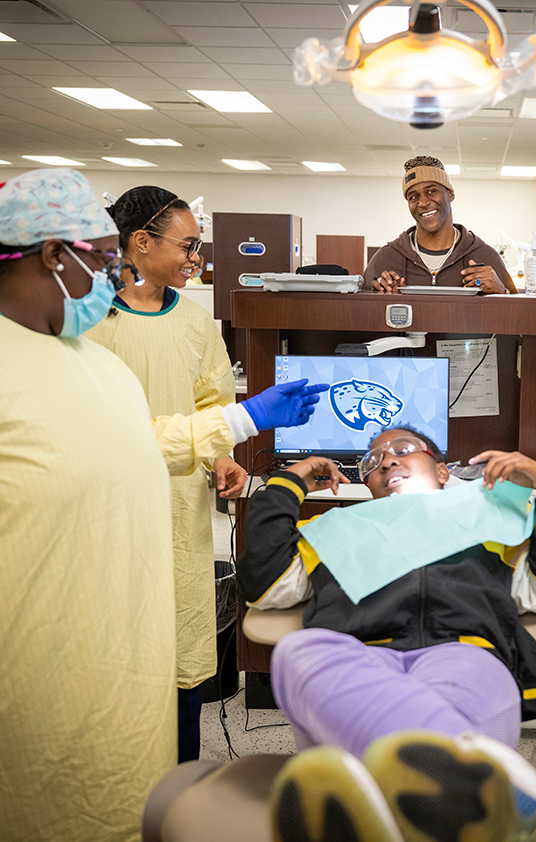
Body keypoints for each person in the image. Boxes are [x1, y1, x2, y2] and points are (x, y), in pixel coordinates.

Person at [0, 168, 328, 842]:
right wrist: (240, 421)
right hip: (49, 612)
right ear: (55, 255)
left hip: (150, 553)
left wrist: (234, 432)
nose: (110, 273)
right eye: (100, 256)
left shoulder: (87, 363)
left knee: (162, 692)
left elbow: (150, 437)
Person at [237, 427, 536, 841]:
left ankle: (384, 802)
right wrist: (289, 482)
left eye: (403, 450)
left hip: (465, 655)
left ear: (444, 471)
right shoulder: (334, 530)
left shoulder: (491, 521)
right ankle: (507, 794)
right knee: (297, 650)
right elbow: (264, 585)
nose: (387, 460)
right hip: (358, 658)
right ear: (366, 485)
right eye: (372, 462)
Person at [86, 186, 254, 761]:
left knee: (181, 651)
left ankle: (177, 785)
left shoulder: (195, 322)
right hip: (107, 505)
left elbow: (212, 402)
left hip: (180, 508)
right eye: (187, 245)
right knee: (116, 646)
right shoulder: (92, 320)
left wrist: (223, 457)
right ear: (140, 242)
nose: (195, 258)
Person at [366, 156, 518, 294]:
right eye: (413, 196)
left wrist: (501, 292)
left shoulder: (483, 256)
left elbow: (519, 318)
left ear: (450, 194)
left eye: (431, 191)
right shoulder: (386, 259)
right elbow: (358, 316)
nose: (423, 202)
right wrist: (381, 301)